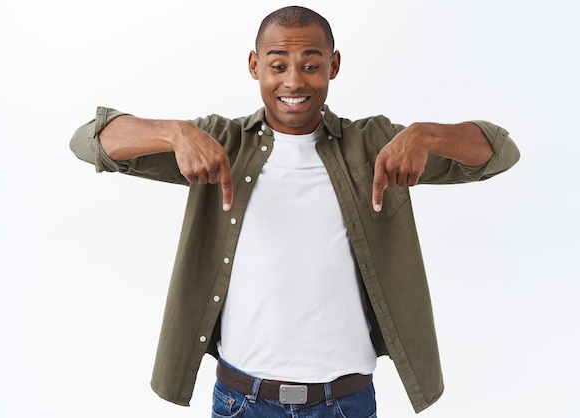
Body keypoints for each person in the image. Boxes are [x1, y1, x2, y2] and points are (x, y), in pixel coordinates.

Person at [70, 5, 519, 417]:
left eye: (310, 64)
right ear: (254, 66)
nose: (293, 82)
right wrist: (174, 133)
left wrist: (428, 135)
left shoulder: (374, 147)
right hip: (242, 401)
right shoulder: (217, 144)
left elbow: (500, 152)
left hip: (345, 403)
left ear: (333, 66)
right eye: (278, 65)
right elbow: (89, 142)